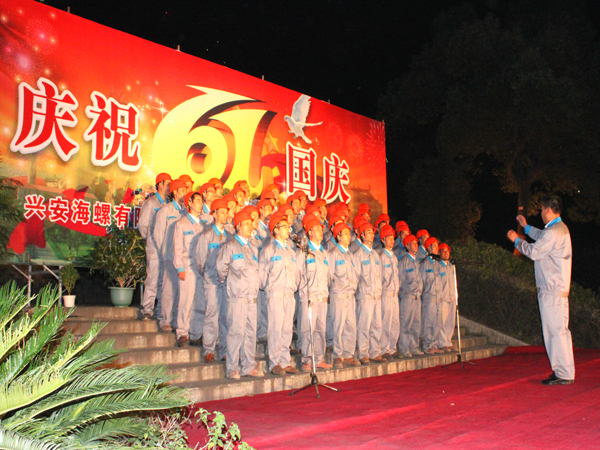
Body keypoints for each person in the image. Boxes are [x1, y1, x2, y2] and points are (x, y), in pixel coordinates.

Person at [507, 194, 575, 385]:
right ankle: (563, 371)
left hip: (552, 290)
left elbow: (534, 252)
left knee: (555, 333)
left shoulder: (553, 232)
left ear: (548, 210)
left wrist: (516, 240)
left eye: (542, 210)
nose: (541, 213)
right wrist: (526, 227)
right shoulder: (558, 229)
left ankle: (563, 373)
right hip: (555, 290)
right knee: (559, 332)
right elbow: (542, 237)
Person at [216, 210, 263, 380]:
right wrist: (231, 285)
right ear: (237, 227)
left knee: (250, 333)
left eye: (251, 224)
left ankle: (248, 366)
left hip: (252, 298)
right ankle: (233, 367)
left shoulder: (252, 248)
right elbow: (221, 268)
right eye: (246, 224)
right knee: (236, 332)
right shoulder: (230, 246)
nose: (250, 227)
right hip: (237, 298)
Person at [259, 212, 301, 375]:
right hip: (275, 295)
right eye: (284, 227)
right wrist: (271, 288)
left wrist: (292, 287)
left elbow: (296, 274)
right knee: (275, 329)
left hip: (289, 294)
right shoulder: (268, 250)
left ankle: (285, 361)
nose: (288, 230)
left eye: (289, 227)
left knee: (287, 330)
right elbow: (262, 276)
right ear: (275, 230)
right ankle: (275, 363)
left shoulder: (291, 251)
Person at [296, 217, 332, 372]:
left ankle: (319, 358)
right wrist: (303, 293)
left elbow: (329, 276)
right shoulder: (303, 252)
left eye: (321, 229)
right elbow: (297, 275)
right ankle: (306, 359)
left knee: (320, 330)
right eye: (317, 229)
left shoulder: (325, 254)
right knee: (307, 330)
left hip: (322, 297)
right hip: (309, 297)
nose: (320, 232)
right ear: (309, 232)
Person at [196, 198, 230, 362]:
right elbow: (200, 261)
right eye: (222, 212)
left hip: (227, 282)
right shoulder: (207, 235)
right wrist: (208, 274)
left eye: (226, 212)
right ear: (214, 214)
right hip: (212, 281)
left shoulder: (230, 236)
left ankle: (224, 350)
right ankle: (209, 349)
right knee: (211, 315)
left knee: (225, 316)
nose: (225, 215)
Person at [153, 178, 188, 332]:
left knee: (180, 291)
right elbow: (158, 235)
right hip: (169, 256)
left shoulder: (186, 212)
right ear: (175, 192)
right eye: (182, 190)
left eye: (186, 190)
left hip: (182, 258)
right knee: (168, 289)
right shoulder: (165, 211)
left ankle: (175, 320)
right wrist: (165, 252)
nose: (185, 193)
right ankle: (165, 320)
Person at [172, 191, 205, 347]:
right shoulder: (181, 224)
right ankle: (182, 333)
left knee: (199, 302)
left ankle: (196, 334)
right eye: (197, 200)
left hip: (201, 269)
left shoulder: (204, 225)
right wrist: (180, 268)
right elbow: (177, 248)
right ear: (189, 203)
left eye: (201, 201)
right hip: (187, 266)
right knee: (186, 301)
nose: (200, 204)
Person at [138, 172, 171, 321]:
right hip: (154, 247)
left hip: (166, 247)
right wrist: (149, 240)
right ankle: (147, 309)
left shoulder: (168, 204)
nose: (169, 187)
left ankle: (160, 311)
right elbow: (142, 224)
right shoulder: (151, 202)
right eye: (167, 184)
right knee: (152, 277)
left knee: (163, 279)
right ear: (159, 185)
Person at [352, 221, 385, 364]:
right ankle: (364, 353)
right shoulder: (358, 254)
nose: (371, 235)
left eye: (372, 232)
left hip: (377, 295)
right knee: (364, 325)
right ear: (362, 235)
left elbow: (380, 275)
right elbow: (355, 277)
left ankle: (375, 352)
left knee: (377, 325)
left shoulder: (376, 254)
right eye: (368, 232)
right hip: (365, 295)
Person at [328, 222, 359, 368]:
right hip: (339, 295)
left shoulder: (351, 255)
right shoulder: (333, 253)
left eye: (349, 233)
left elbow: (356, 275)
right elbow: (329, 276)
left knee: (350, 326)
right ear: (338, 236)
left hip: (350, 295)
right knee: (338, 326)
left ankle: (348, 354)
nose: (349, 236)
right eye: (345, 233)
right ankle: (338, 356)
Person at [398, 234, 424, 357]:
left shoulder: (417, 262)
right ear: (407, 246)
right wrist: (406, 293)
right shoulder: (403, 262)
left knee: (416, 324)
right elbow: (400, 281)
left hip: (417, 298)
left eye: (416, 243)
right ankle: (404, 348)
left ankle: (414, 347)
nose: (416, 245)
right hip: (407, 298)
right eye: (412, 243)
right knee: (406, 324)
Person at [377, 224, 400, 359]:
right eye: (389, 237)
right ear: (383, 240)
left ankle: (392, 348)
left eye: (392, 237)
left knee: (395, 323)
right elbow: (379, 277)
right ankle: (384, 349)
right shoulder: (381, 256)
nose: (392, 240)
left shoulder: (394, 257)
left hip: (395, 295)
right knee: (386, 322)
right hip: (386, 294)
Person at [419, 236, 444, 354]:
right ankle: (427, 345)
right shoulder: (424, 264)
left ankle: (434, 343)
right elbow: (421, 282)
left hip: (438, 298)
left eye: (437, 246)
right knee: (428, 323)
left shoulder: (438, 264)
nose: (437, 248)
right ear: (428, 248)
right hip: (428, 298)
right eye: (434, 246)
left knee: (437, 322)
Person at [437, 243, 456, 352]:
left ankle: (448, 341)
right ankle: (442, 342)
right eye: (443, 251)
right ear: (439, 253)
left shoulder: (451, 266)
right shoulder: (438, 266)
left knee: (450, 321)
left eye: (447, 251)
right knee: (442, 322)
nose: (446, 253)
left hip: (451, 298)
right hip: (443, 298)